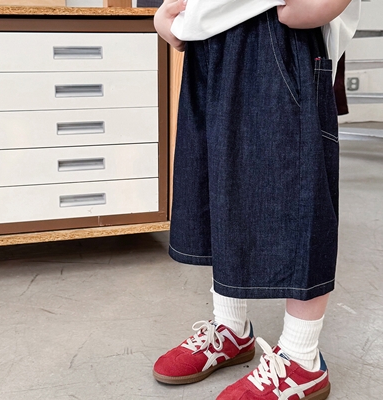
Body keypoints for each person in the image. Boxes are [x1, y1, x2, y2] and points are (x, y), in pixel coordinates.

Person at [152, 0, 361, 398]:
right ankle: (231, 328)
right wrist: (170, 17)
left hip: (282, 41)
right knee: (220, 190)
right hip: (209, 44)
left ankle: (302, 357)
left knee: (300, 196)